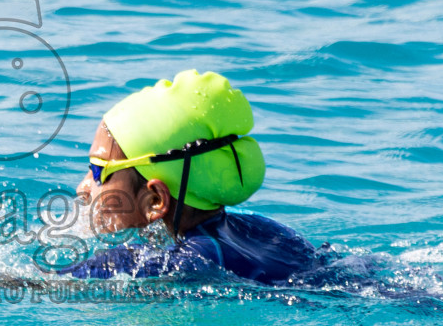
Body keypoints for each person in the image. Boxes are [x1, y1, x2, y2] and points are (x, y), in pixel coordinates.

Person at [62, 69, 326, 284]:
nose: (82, 188)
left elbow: (33, 287)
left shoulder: (155, 263)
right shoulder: (268, 231)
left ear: (155, 200)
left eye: (98, 171)